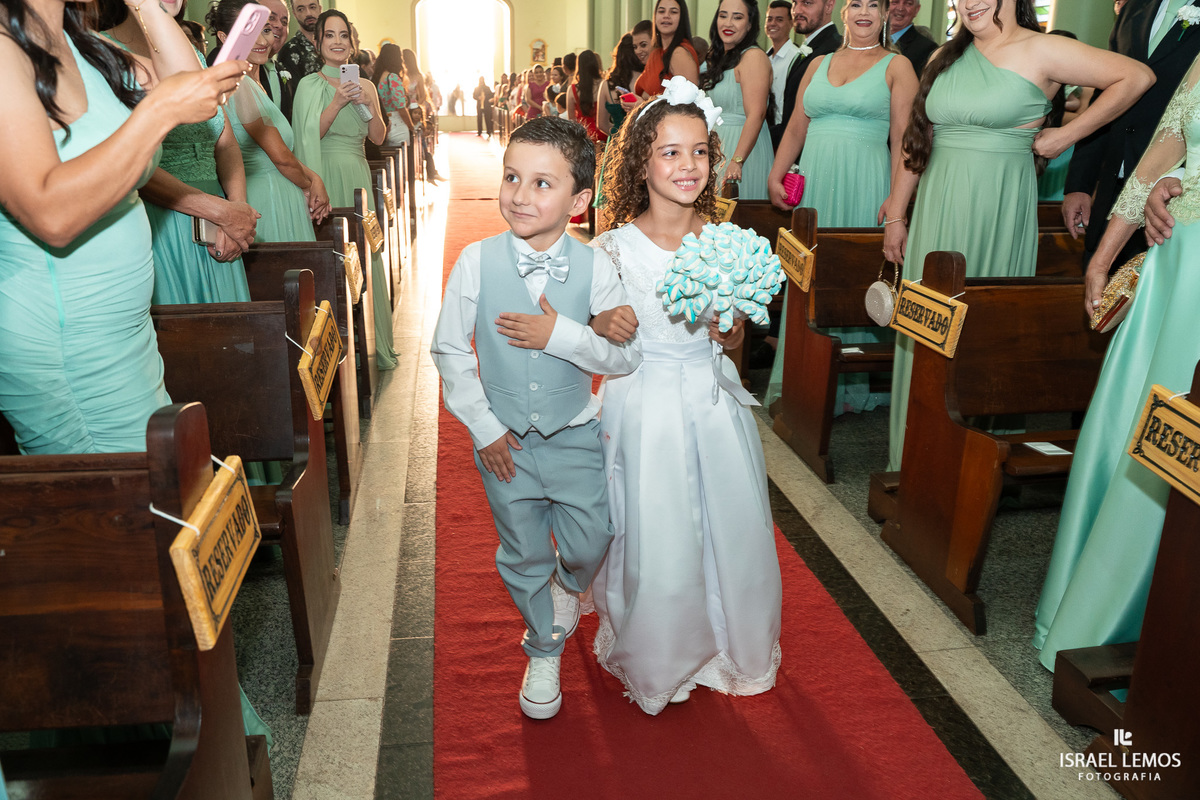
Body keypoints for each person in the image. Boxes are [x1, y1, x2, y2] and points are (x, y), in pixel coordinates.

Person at [880, 0, 1154, 471]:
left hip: (998, 209)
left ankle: (969, 465)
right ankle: (916, 459)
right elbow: (916, 141)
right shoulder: (942, 57)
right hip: (936, 212)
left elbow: (1136, 77)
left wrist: (1068, 135)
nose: (970, 3)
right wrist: (897, 215)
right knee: (926, 324)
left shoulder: (1042, 49)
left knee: (980, 332)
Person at [431, 116, 642, 720]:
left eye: (542, 184)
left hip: (575, 430)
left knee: (593, 535)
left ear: (579, 201)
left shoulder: (597, 267)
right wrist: (485, 426)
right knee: (522, 549)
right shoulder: (475, 261)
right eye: (512, 178)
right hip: (504, 443)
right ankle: (544, 645)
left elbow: (623, 356)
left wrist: (564, 335)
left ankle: (570, 587)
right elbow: (450, 349)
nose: (521, 195)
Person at [587, 81, 783, 715]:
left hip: (711, 400)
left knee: (725, 521)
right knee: (658, 529)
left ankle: (732, 640)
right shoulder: (613, 248)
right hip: (645, 406)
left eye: (699, 151)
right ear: (641, 160)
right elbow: (590, 334)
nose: (688, 166)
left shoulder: (724, 239)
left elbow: (733, 336)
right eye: (670, 153)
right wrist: (601, 325)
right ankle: (662, 649)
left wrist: (730, 329)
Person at [0, 0, 243, 455]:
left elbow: (188, 91)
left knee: (168, 488)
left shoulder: (83, 46)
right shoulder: (5, 52)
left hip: (124, 332)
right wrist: (159, 113)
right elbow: (50, 214)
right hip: (66, 342)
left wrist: (148, 5)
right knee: (135, 505)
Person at [1035, 52, 1200, 673]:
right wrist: (1105, 255)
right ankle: (1106, 617)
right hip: (1173, 265)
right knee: (1138, 435)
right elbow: (1163, 147)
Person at [764, 0, 918, 412]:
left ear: (885, 14)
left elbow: (905, 139)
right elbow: (798, 124)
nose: (864, 11)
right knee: (808, 279)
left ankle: (849, 389)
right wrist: (775, 174)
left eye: (873, 4)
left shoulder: (897, 67)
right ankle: (800, 374)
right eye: (856, 3)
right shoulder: (817, 64)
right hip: (815, 187)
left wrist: (897, 203)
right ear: (843, 12)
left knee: (853, 279)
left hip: (865, 184)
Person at [99, 0, 258, 306]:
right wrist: (216, 210)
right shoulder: (102, 51)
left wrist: (236, 209)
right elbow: (127, 161)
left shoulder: (191, 54)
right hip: (160, 220)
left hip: (221, 227)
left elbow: (225, 142)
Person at [293, 9, 397, 372]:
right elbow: (308, 138)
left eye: (343, 35)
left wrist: (367, 106)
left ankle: (370, 340)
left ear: (352, 43)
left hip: (356, 172)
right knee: (332, 258)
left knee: (364, 254)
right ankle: (339, 344)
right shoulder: (310, 85)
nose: (337, 42)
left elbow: (379, 137)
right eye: (329, 35)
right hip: (324, 171)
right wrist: (337, 103)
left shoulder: (366, 84)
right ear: (319, 43)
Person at [1062, 0, 1200, 267]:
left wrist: (1178, 174)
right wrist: (1080, 184)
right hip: (1111, 191)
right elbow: (1105, 97)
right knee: (1100, 296)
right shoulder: (1134, 8)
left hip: (1169, 203)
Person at [213, 0, 330, 242]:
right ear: (224, 37)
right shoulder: (240, 85)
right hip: (268, 196)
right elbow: (281, 158)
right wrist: (310, 184)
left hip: (279, 190)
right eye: (249, 33)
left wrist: (313, 179)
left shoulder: (251, 81)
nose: (262, 41)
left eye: (265, 30)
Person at [700, 0, 773, 198]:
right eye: (723, 15)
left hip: (742, 151)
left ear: (750, 25)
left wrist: (737, 160)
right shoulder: (717, 58)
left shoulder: (753, 57)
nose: (728, 23)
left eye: (737, 17)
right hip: (718, 147)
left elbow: (757, 114)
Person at [773, 0, 841, 146]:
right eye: (794, 3)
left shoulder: (834, 50)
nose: (797, 10)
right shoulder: (812, 46)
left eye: (807, 3)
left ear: (829, 6)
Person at [634, 0, 701, 97]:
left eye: (673, 12)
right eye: (661, 11)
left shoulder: (680, 53)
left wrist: (643, 104)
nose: (666, 16)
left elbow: (687, 102)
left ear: (681, 18)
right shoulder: (656, 53)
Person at [765, 0, 799, 150]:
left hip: (783, 134)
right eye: (769, 19)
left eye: (779, 20)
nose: (773, 24)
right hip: (763, 132)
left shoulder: (796, 58)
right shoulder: (763, 59)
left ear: (791, 23)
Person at [597, 34, 643, 137]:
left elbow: (602, 124)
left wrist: (619, 134)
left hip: (616, 142)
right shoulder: (646, 79)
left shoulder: (606, 85)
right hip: (642, 139)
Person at [375, 43, 415, 146]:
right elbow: (400, 107)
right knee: (403, 158)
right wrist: (411, 127)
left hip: (382, 121)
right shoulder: (392, 77)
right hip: (397, 123)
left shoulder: (377, 77)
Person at [278, 0, 323, 84]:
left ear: (320, 9)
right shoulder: (288, 51)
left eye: (312, 7)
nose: (308, 13)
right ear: (294, 14)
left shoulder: (331, 45)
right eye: (301, 9)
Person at [888, 0, 936, 79]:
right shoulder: (871, 40)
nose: (900, 8)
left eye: (908, 3)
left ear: (917, 10)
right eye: (895, 2)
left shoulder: (928, 49)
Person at [567, 49, 606, 142]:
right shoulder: (604, 85)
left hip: (583, 136)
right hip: (603, 133)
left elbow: (571, 120)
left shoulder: (572, 89)